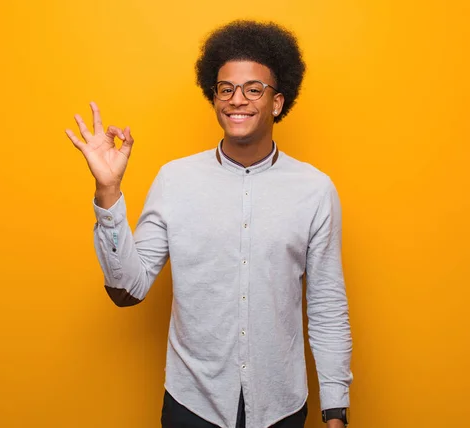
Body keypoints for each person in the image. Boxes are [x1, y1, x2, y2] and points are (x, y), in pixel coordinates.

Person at [66, 20, 352, 428]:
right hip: (192, 406)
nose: (238, 100)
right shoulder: (174, 180)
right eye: (226, 89)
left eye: (254, 89)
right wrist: (108, 192)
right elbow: (128, 290)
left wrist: (335, 408)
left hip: (281, 407)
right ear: (214, 96)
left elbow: (327, 306)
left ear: (277, 102)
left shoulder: (315, 190)